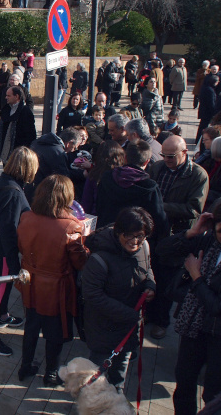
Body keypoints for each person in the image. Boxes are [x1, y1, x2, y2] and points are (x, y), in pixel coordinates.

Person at [16, 175, 90, 385]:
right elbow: (80, 262)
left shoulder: (27, 217)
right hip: (56, 288)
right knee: (55, 332)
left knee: (31, 326)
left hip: (30, 281)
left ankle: (25, 366)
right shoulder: (71, 226)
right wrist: (86, 242)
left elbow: (21, 247)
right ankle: (50, 373)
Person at [82, 207, 156, 392]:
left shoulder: (144, 247)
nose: (135, 241)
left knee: (120, 372)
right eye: (129, 236)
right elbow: (93, 296)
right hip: (104, 327)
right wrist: (129, 314)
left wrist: (150, 285)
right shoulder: (99, 259)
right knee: (95, 375)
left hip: (128, 328)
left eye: (140, 236)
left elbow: (147, 269)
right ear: (118, 231)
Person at [155, 208, 221, 414]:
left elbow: (217, 307)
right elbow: (162, 250)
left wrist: (197, 277)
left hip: (217, 334)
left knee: (212, 393)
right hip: (195, 326)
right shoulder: (209, 241)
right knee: (184, 382)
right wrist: (191, 233)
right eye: (220, 231)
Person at [149, 135, 209, 340]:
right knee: (150, 274)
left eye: (171, 156)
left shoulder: (198, 175)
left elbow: (194, 209)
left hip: (176, 236)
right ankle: (148, 314)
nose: (166, 159)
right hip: (153, 231)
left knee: (166, 280)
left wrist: (161, 208)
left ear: (185, 153)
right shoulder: (157, 168)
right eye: (164, 155)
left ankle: (161, 321)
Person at [0, 147, 38, 356]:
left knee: (3, 288)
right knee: (2, 289)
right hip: (5, 249)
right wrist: (14, 262)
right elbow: (9, 230)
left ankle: (3, 315)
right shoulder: (14, 193)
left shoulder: (4, 180)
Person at [96, 140, 168, 237]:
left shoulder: (107, 177)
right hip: (135, 240)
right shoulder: (149, 186)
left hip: (108, 234)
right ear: (147, 161)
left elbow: (99, 206)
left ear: (125, 158)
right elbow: (158, 219)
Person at [25, 128, 82, 203]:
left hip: (28, 186)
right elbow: (63, 177)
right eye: (74, 147)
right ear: (69, 143)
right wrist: (81, 174)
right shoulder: (58, 153)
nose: (73, 150)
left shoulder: (38, 142)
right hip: (42, 193)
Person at [81, 140, 125, 215]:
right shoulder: (124, 176)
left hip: (98, 217)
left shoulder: (95, 175)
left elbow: (86, 203)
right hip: (118, 218)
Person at [0, 86, 37, 164]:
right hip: (6, 153)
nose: (6, 97)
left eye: (9, 96)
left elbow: (30, 135)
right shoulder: (6, 110)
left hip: (19, 155)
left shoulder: (25, 112)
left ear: (16, 96)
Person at [196, 75, 219, 147]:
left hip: (203, 110)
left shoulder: (205, 87)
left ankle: (198, 139)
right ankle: (200, 140)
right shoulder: (210, 91)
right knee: (204, 126)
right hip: (207, 113)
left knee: (202, 126)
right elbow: (211, 104)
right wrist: (214, 113)